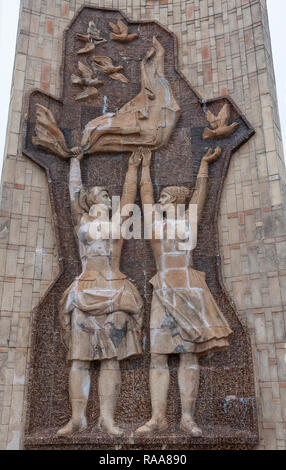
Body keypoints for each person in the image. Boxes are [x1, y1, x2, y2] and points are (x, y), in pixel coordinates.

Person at [136, 147, 233, 437]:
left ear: (176, 200)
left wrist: (203, 163)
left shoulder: (188, 222)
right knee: (158, 356)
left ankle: (187, 419)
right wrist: (145, 167)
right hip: (163, 288)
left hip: (190, 289)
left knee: (189, 355)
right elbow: (145, 195)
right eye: (160, 197)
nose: (159, 200)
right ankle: (158, 417)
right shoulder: (155, 224)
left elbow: (200, 195)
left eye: (165, 197)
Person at [57, 148, 143, 437]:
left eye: (109, 195)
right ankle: (77, 419)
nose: (108, 196)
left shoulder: (117, 222)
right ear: (91, 200)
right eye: (103, 194)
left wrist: (132, 168)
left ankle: (107, 419)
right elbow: (73, 191)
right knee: (80, 358)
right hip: (85, 289)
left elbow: (129, 197)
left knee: (110, 359)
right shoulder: (81, 221)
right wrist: (76, 161)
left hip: (113, 290)